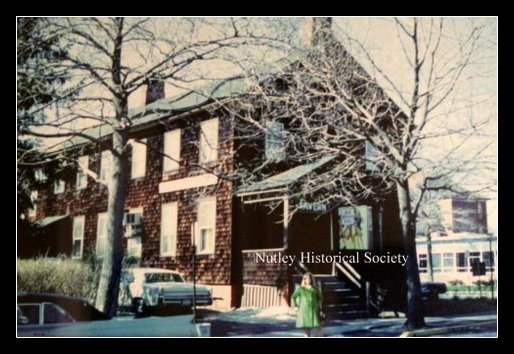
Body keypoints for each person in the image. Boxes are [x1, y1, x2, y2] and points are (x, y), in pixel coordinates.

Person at [291, 272, 323, 337]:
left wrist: (318, 305)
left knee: (319, 328)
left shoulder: (315, 288)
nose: (308, 280)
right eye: (306, 279)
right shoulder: (301, 289)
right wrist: (296, 306)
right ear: (304, 280)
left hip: (314, 310)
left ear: (311, 279)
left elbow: (320, 298)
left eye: (309, 279)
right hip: (304, 311)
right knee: (306, 330)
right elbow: (293, 296)